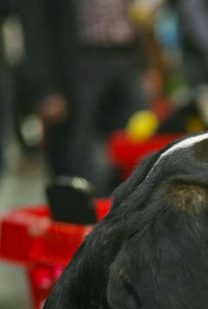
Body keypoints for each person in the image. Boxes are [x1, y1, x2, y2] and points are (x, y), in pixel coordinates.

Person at [20, 0, 150, 195]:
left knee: (134, 148)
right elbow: (35, 27)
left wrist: (147, 66)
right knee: (86, 159)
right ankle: (93, 217)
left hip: (126, 55)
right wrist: (46, 89)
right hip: (79, 62)